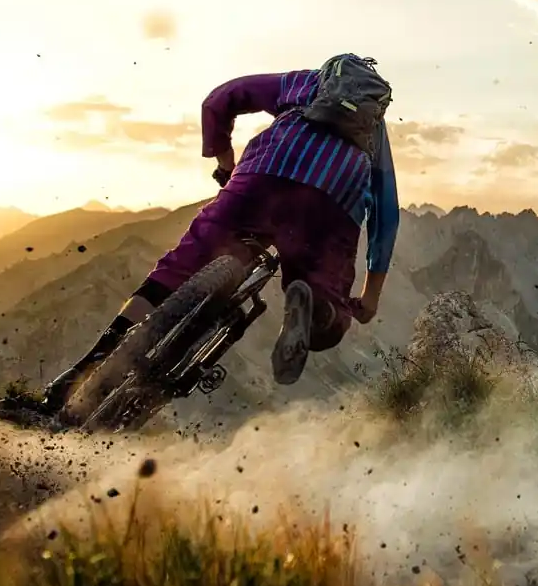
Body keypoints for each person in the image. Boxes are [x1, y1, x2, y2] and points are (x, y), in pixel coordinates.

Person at [43, 54, 398, 413]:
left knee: (177, 267)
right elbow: (386, 214)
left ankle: (79, 373)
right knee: (329, 311)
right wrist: (370, 297)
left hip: (265, 172)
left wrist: (225, 164)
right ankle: (310, 304)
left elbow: (219, 99)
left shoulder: (301, 83)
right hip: (334, 198)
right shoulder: (373, 129)